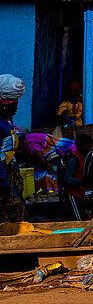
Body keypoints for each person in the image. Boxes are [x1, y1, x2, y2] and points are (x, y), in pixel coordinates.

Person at [0, 74, 26, 224]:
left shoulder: (7, 121)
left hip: (9, 170)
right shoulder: (1, 125)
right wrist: (3, 181)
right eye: (12, 106)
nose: (16, 109)